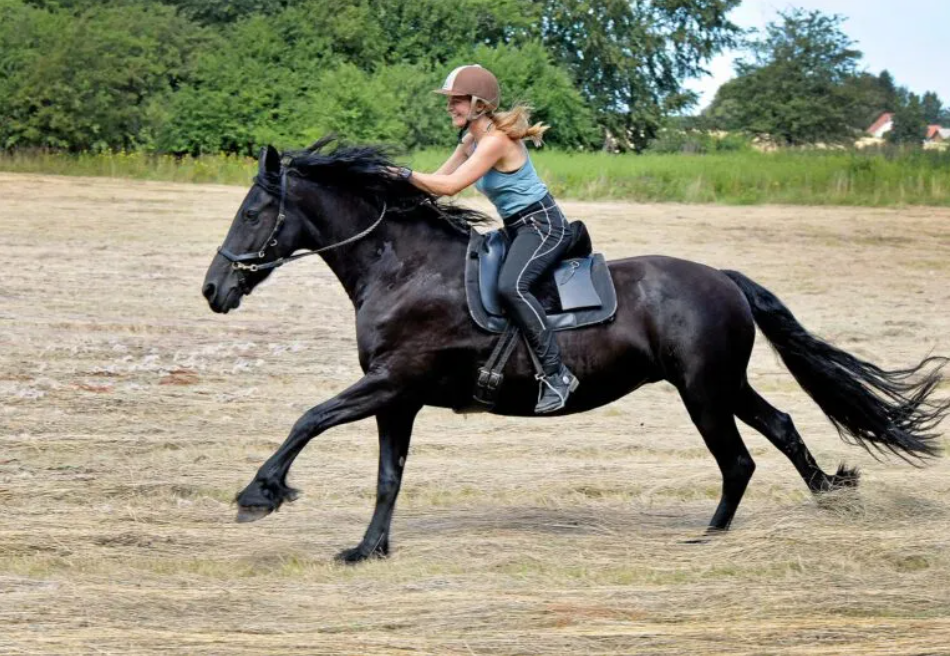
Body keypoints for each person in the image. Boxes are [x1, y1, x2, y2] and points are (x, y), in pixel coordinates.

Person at [394, 64, 578, 413]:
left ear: (479, 104)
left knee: (512, 287)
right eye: (449, 101)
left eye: (457, 101)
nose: (450, 107)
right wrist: (399, 190)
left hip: (543, 227)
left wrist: (403, 173)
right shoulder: (471, 139)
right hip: (516, 228)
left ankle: (557, 375)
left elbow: (450, 186)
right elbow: (437, 180)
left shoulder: (494, 141)